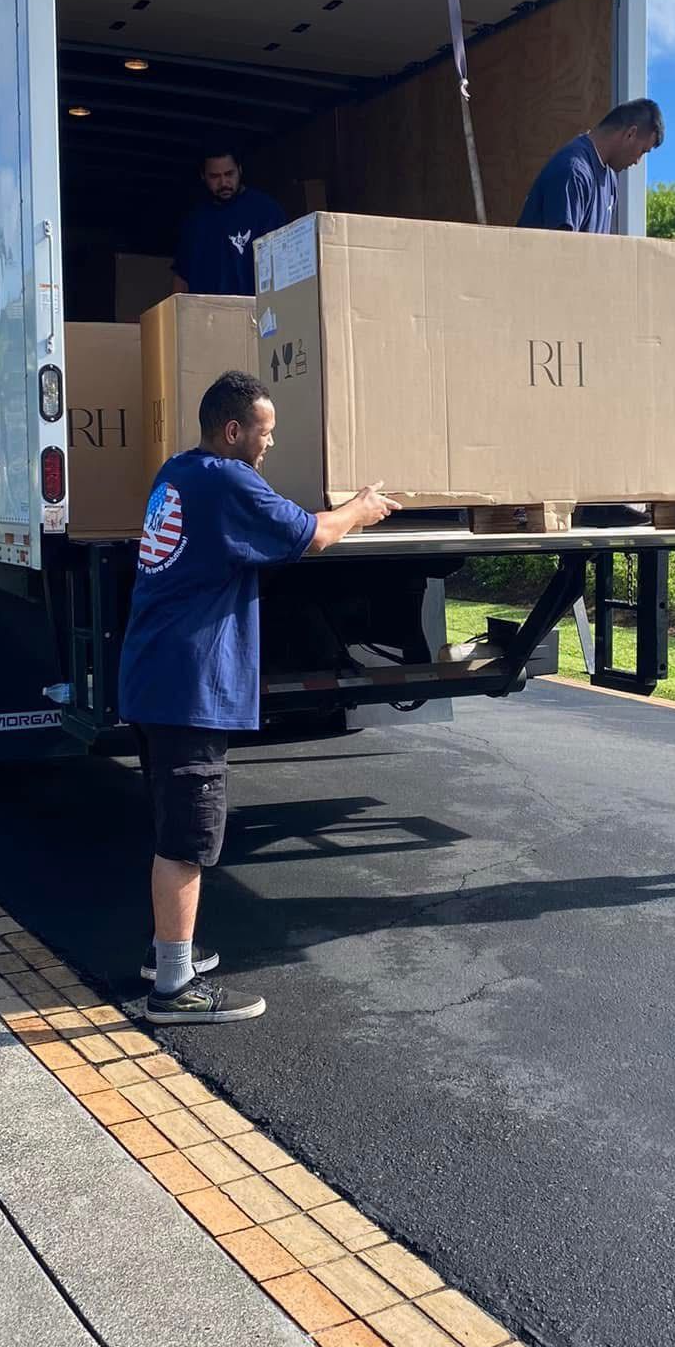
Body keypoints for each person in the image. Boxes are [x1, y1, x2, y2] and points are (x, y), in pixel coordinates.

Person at [119, 370, 399, 1024]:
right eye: (265, 433)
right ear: (234, 429)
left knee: (173, 829)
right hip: (187, 687)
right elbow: (311, 534)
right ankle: (172, 989)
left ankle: (169, 954)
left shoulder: (180, 471)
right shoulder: (226, 480)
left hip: (154, 676)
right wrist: (361, 508)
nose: (270, 445)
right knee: (188, 838)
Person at [517, 99, 665, 233]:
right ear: (630, 134)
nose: (637, 161)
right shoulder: (573, 172)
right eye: (642, 151)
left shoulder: (610, 178)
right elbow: (562, 253)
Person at [172, 151, 287, 298]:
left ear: (240, 170)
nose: (223, 183)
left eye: (229, 174)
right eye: (214, 176)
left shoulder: (266, 211)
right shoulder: (194, 221)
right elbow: (181, 277)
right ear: (203, 176)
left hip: (254, 314)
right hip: (205, 316)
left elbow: (283, 267)